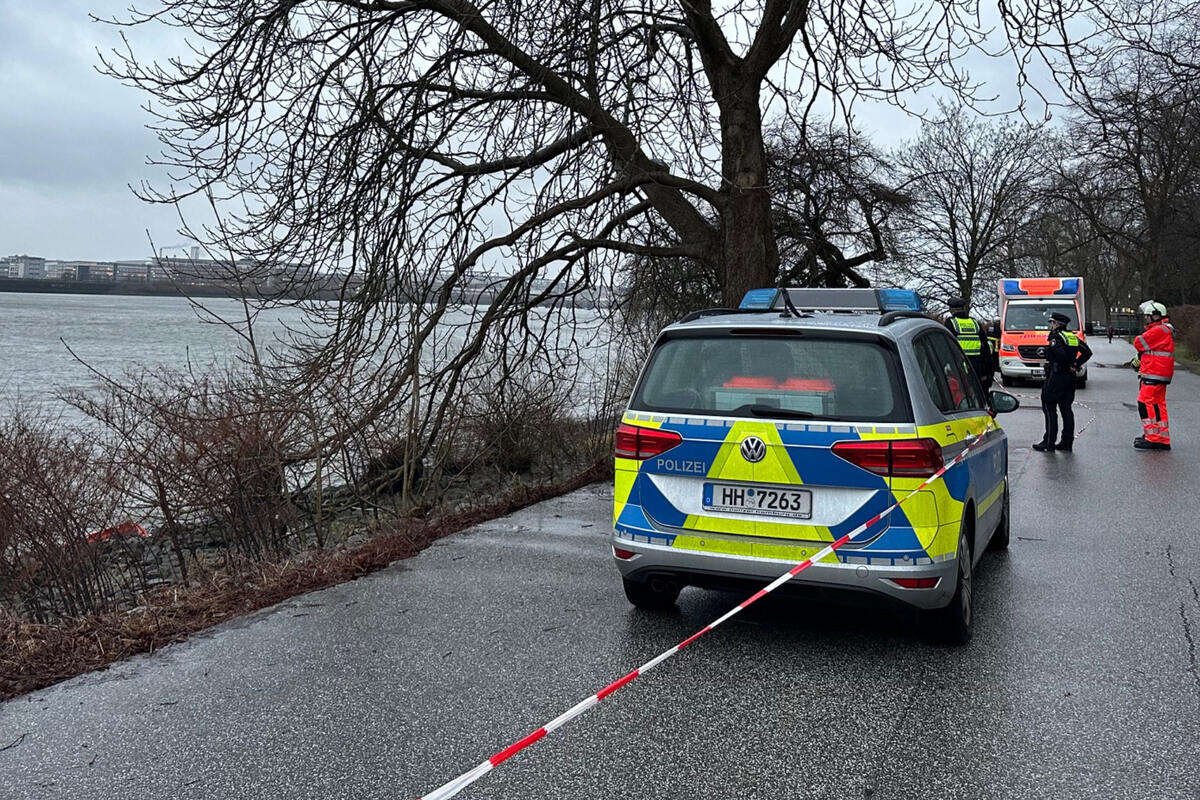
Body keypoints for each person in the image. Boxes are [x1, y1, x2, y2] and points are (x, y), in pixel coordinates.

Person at [1033, 312, 1093, 452]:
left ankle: (1049, 442)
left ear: (1057, 324)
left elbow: (1059, 354)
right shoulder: (1072, 336)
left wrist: (1048, 353)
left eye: (1052, 323)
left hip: (1056, 376)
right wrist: (1075, 365)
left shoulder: (1056, 337)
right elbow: (1087, 352)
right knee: (1066, 410)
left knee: (1049, 408)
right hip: (1070, 378)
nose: (1051, 326)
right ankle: (1066, 442)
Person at [1132, 301, 1175, 450]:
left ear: (1156, 316)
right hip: (1158, 373)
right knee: (1158, 405)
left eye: (1148, 316)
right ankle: (1162, 438)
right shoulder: (1164, 330)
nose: (1146, 319)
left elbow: (1138, 343)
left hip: (1154, 373)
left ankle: (1152, 437)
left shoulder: (1159, 330)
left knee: (1144, 403)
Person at [944, 297, 993, 389]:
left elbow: (947, 346)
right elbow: (985, 347)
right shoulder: (975, 323)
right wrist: (986, 371)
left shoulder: (950, 323)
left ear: (951, 310)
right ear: (963, 308)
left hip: (959, 365)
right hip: (977, 366)